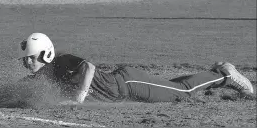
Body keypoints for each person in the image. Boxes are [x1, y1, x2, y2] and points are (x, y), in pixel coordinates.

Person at [19, 33, 254, 104]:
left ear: (45, 54)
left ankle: (225, 74)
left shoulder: (61, 60)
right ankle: (217, 73)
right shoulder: (46, 74)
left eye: (31, 58)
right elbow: (21, 89)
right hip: (126, 87)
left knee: (181, 92)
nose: (27, 63)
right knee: (174, 88)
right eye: (25, 60)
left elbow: (88, 67)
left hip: (127, 84)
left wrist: (79, 96)